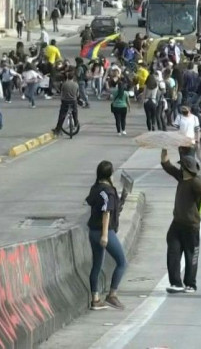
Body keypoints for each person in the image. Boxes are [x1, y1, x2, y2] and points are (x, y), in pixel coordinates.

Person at [160, 148, 201, 294]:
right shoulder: (181, 177)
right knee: (173, 253)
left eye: (182, 166)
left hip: (191, 226)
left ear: (186, 168)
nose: (180, 167)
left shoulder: (195, 182)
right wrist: (164, 155)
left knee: (191, 255)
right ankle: (176, 283)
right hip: (177, 223)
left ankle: (190, 284)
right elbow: (168, 167)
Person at [85, 160, 128, 310]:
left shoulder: (96, 188)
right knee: (122, 262)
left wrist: (120, 200)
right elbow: (106, 213)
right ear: (110, 174)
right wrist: (105, 235)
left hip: (92, 231)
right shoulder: (108, 191)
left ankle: (95, 299)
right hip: (104, 231)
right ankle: (112, 295)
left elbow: (97, 205)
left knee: (97, 265)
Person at [53, 72, 80, 137]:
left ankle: (58, 129)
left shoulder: (64, 84)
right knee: (75, 112)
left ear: (67, 77)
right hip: (73, 101)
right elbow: (78, 94)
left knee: (62, 115)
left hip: (65, 101)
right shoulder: (76, 84)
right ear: (73, 77)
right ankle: (76, 122)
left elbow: (61, 92)